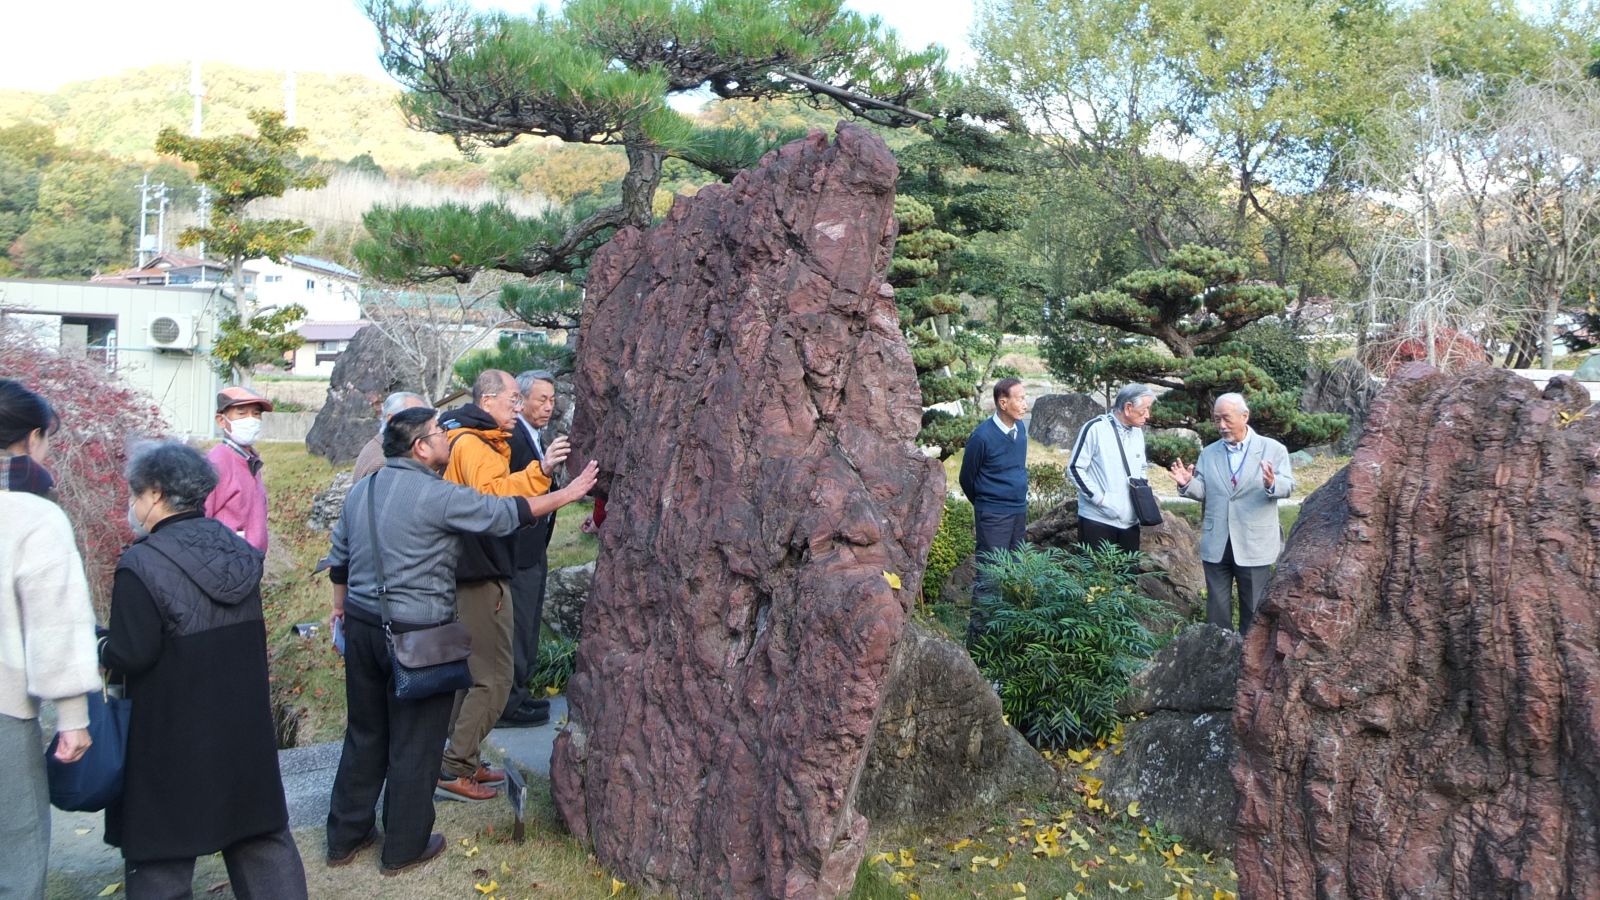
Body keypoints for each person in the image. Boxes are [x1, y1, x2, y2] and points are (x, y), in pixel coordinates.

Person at [324, 407, 597, 874]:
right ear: (420, 447)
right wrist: (568, 493)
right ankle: (404, 848)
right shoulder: (438, 495)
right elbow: (506, 512)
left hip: (363, 627)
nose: (447, 436)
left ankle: (345, 838)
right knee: (417, 741)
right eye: (439, 432)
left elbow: (340, 560)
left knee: (365, 734)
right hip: (417, 635)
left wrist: (339, 608)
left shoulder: (362, 491)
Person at [100, 441, 308, 899]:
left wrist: (101, 644)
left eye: (134, 495)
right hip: (243, 724)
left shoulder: (141, 563)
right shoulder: (237, 551)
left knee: (161, 855)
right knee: (260, 838)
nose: (132, 506)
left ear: (155, 494)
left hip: (171, 732)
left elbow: (132, 654)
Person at [437, 369, 565, 801]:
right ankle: (455, 767)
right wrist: (551, 486)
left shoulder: (475, 439)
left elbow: (495, 491)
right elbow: (492, 504)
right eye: (514, 398)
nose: (520, 406)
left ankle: (461, 758)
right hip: (478, 570)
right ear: (487, 400)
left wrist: (539, 471)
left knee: (473, 674)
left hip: (477, 567)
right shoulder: (472, 443)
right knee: (493, 676)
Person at [0, 380, 97, 899]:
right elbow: (54, 622)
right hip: (4, 710)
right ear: (32, 438)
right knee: (14, 856)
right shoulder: (34, 516)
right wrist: (73, 716)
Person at [1168, 392, 1294, 635]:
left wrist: (1271, 483)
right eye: (1217, 420)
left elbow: (1288, 486)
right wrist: (1186, 483)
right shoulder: (1209, 452)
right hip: (1217, 542)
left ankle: (1250, 663)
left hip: (1254, 543)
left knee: (1254, 610)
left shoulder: (1272, 449)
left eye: (1226, 418)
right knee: (1216, 611)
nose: (1221, 426)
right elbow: (1203, 490)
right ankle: (1217, 658)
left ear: (1244, 416)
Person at [501, 370, 569, 728]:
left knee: (527, 624)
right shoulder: (511, 437)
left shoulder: (535, 436)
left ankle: (520, 693)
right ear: (520, 400)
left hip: (533, 547)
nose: (548, 406)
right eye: (541, 399)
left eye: (552, 400)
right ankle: (508, 702)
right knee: (516, 625)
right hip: (516, 548)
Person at [957, 377, 1030, 648]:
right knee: (990, 577)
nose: (1025, 404)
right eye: (1020, 398)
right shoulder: (982, 436)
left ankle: (1006, 639)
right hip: (993, 516)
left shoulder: (1020, 429)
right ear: (1003, 402)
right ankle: (978, 646)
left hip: (1017, 512)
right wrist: (987, 505)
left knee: (1015, 572)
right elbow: (967, 478)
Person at [1068, 383, 1156, 554]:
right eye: (1144, 409)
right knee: (1096, 577)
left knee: (1126, 578)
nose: (1148, 415)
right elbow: (1074, 468)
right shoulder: (1095, 428)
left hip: (1130, 522)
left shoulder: (1137, 432)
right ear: (1128, 407)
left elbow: (1142, 467)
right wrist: (1100, 500)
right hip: (1097, 520)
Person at [205, 386, 272, 552]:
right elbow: (200, 519)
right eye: (241, 413)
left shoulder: (251, 461)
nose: (251, 419)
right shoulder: (217, 462)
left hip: (250, 565)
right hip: (225, 565)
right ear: (221, 420)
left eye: (256, 414)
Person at [351, 391, 428, 481]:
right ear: (392, 420)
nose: (424, 424)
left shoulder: (383, 445)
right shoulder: (383, 464)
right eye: (415, 417)